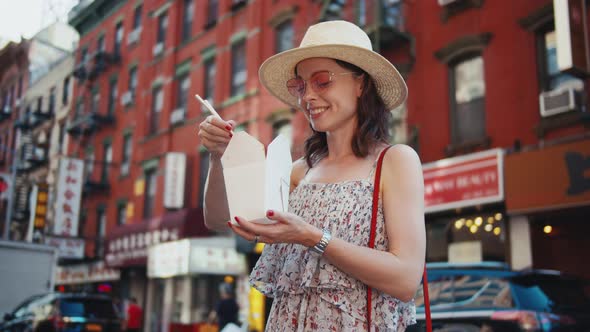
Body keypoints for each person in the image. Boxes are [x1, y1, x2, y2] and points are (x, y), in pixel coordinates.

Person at [198, 20, 425, 331]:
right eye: (301, 86)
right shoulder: (297, 171)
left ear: (361, 83)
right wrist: (218, 156)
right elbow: (219, 218)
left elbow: (406, 279)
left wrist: (312, 237)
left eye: (322, 81)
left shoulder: (395, 161)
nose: (307, 97)